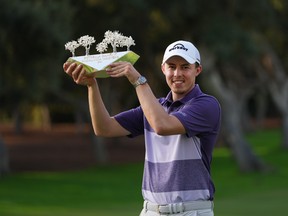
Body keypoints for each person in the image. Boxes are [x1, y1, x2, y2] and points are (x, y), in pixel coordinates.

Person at [63, 40, 221, 216]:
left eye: (185, 67)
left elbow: (162, 125)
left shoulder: (207, 105)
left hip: (192, 211)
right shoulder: (153, 107)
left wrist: (138, 80)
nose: (177, 73)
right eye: (172, 66)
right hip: (150, 211)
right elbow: (104, 128)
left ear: (197, 70)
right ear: (163, 69)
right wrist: (92, 85)